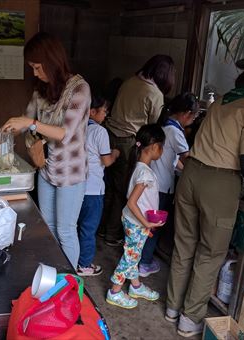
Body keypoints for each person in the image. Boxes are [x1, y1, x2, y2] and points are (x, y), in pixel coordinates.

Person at [166, 50, 244, 337]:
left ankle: (172, 308)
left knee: (184, 245)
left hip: (191, 175)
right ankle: (189, 320)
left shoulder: (223, 100)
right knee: (210, 254)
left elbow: (224, 141)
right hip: (219, 185)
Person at [0, 32, 90, 269]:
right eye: (32, 67)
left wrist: (29, 124)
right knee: (47, 227)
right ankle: (52, 276)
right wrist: (6, 133)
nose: (35, 73)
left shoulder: (80, 89)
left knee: (66, 231)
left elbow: (64, 133)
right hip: (46, 168)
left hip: (70, 172)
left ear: (52, 62)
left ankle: (69, 283)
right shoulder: (42, 89)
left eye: (38, 67)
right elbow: (26, 117)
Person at [99, 55, 175, 247]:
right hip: (128, 142)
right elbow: (154, 126)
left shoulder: (129, 81)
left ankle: (101, 228)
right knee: (122, 190)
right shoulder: (154, 94)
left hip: (109, 136)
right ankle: (112, 233)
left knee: (107, 186)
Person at [139, 93, 200, 277]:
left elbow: (173, 161)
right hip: (163, 186)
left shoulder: (164, 127)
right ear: (187, 113)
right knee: (154, 226)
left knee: (147, 223)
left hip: (153, 182)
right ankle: (145, 263)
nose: (194, 120)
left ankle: (141, 258)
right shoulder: (176, 132)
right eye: (195, 116)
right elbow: (187, 159)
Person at [106, 124, 166, 309]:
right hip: (137, 222)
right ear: (155, 146)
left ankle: (136, 286)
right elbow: (132, 202)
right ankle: (114, 292)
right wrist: (146, 223)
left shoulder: (138, 167)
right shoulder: (145, 173)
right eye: (162, 146)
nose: (162, 150)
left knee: (134, 254)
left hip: (132, 221)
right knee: (130, 257)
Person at [76, 93, 120, 276]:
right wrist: (116, 153)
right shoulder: (100, 132)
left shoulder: (77, 128)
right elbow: (107, 161)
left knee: (74, 226)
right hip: (93, 189)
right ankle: (85, 264)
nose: (105, 115)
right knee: (88, 228)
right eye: (104, 111)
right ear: (92, 111)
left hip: (75, 187)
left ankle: (71, 258)